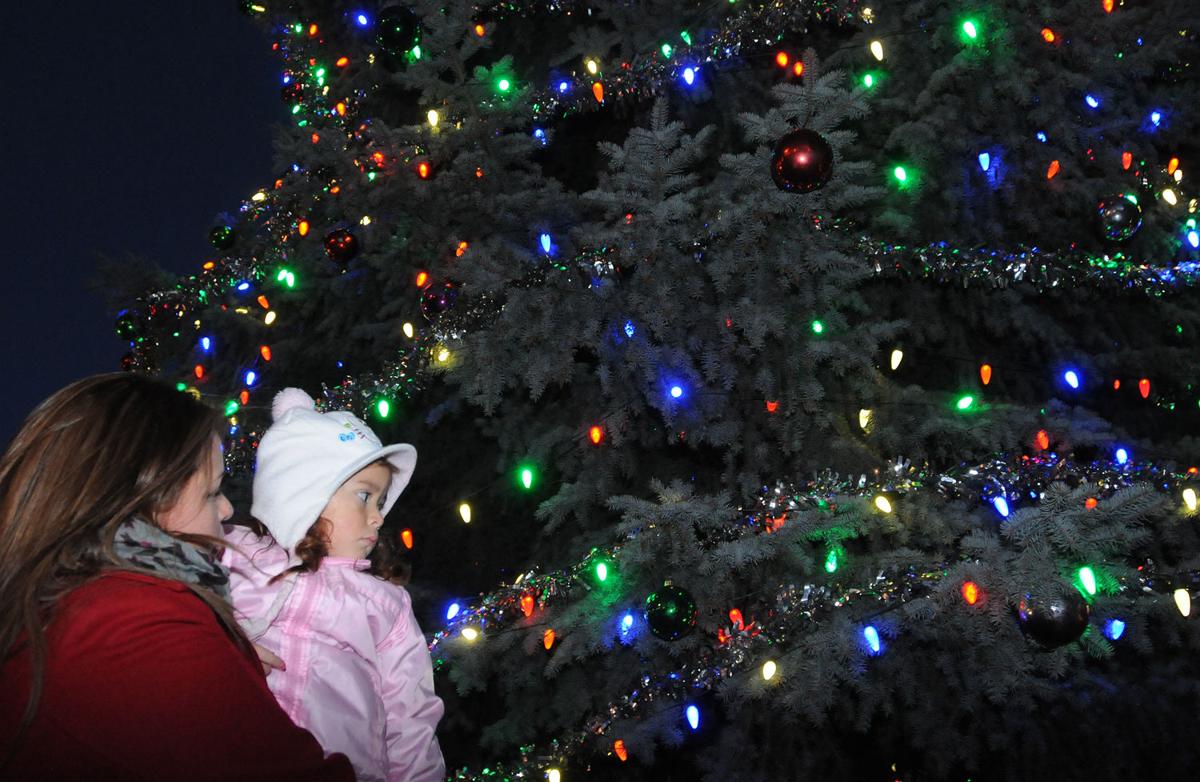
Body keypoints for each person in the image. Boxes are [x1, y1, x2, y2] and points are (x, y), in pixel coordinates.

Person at [0, 373, 355, 780]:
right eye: (210, 492)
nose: (225, 510)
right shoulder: (134, 625)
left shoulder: (79, 608)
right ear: (143, 498)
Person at [223, 387, 445, 782]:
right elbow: (168, 608)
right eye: (365, 496)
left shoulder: (385, 603)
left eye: (380, 502)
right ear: (302, 494)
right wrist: (221, 644)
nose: (378, 517)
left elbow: (410, 713)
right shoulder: (237, 554)